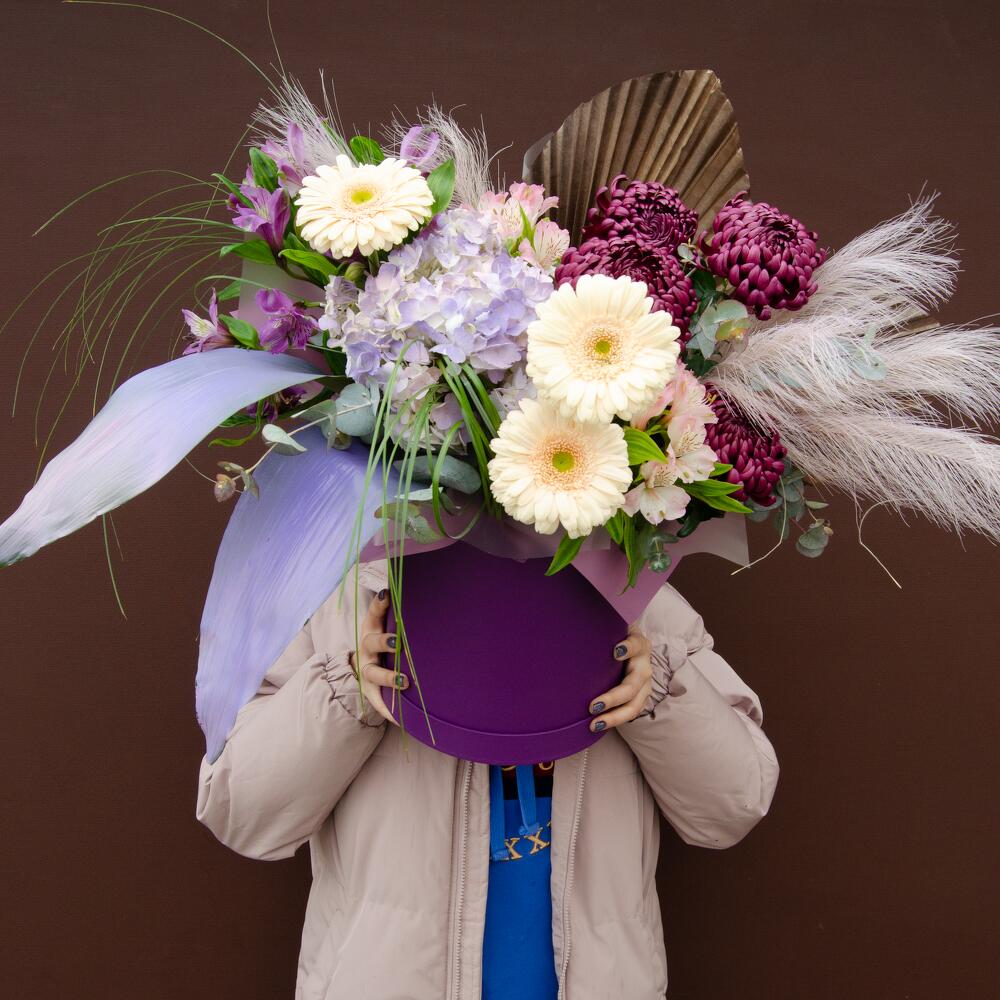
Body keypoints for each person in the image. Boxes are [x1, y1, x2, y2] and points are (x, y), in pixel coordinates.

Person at [197, 559, 778, 999]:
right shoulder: (345, 600)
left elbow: (733, 804)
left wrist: (656, 689)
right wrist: (352, 685)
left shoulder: (636, 597)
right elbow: (242, 812)